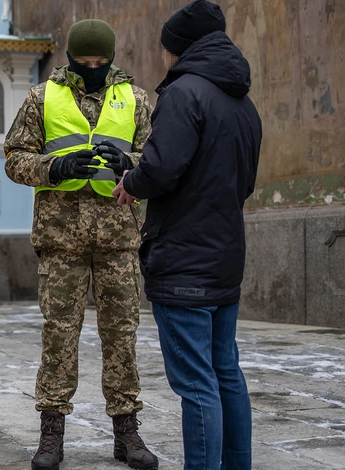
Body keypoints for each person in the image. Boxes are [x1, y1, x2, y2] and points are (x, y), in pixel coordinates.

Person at [4, 19, 158, 470]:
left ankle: (127, 434)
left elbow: (159, 160)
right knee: (59, 337)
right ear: (69, 58)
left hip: (118, 238)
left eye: (101, 61)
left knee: (122, 336)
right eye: (83, 61)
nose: (92, 68)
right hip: (61, 239)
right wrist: (54, 168)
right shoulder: (40, 98)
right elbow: (15, 158)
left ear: (111, 58)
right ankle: (51, 435)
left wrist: (130, 162)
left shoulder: (136, 99)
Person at [113, 1, 262, 468]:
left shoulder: (184, 93)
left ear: (178, 48)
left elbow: (161, 167)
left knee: (197, 384)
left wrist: (131, 183)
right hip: (224, 255)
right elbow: (246, 180)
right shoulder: (243, 102)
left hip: (183, 259)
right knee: (226, 374)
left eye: (165, 50)